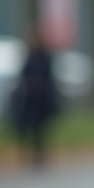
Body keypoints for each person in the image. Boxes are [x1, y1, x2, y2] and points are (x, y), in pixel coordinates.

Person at [13, 30, 58, 167]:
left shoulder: (45, 57)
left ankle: (41, 153)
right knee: (28, 126)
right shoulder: (29, 57)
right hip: (30, 98)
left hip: (42, 99)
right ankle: (30, 153)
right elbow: (23, 76)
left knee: (41, 128)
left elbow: (49, 77)